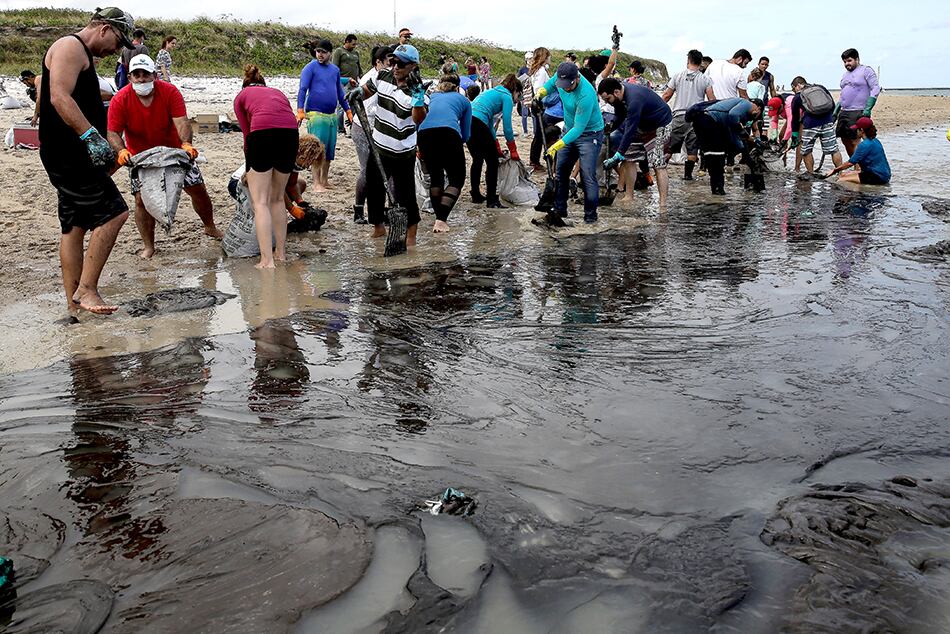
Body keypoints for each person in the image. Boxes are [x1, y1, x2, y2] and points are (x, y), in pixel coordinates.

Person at [39, 7, 134, 316]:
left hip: (65, 151)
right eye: (119, 42)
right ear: (105, 28)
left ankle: (74, 305)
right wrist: (90, 137)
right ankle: (87, 289)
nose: (117, 51)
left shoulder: (80, 53)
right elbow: (59, 97)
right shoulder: (70, 47)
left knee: (74, 225)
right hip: (69, 153)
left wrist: (104, 142)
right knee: (115, 214)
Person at [107, 54, 221, 259]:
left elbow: (182, 122)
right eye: (136, 74)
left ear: (155, 74)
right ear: (130, 77)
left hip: (174, 151)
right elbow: (112, 132)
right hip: (141, 157)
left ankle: (209, 226)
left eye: (146, 74)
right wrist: (121, 150)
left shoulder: (169, 91)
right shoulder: (120, 99)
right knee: (141, 201)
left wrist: (186, 143)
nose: (141, 79)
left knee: (198, 189)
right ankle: (149, 245)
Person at [352, 43, 428, 245]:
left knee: (406, 195)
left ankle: (411, 238)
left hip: (403, 152)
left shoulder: (419, 91)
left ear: (413, 66)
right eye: (393, 62)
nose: (395, 67)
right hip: (379, 145)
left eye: (401, 64)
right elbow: (369, 89)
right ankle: (378, 227)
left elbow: (418, 118)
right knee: (374, 188)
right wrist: (359, 92)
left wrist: (418, 100)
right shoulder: (383, 76)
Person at [232, 64, 300, 268]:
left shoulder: (241, 97)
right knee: (277, 198)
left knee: (260, 202)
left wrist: (249, 168)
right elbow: (287, 117)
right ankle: (281, 254)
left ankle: (266, 260)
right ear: (263, 84)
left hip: (261, 135)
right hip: (290, 135)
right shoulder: (277, 92)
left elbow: (247, 135)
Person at [537, 61, 605, 223]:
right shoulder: (561, 76)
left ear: (577, 78)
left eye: (568, 85)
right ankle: (560, 210)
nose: (565, 88)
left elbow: (579, 128)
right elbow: (550, 85)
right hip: (568, 129)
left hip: (589, 134)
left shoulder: (586, 94)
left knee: (588, 175)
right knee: (561, 172)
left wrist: (558, 145)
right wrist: (540, 93)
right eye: (563, 84)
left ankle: (590, 217)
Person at [600, 78, 673, 206]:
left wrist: (618, 154)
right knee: (629, 158)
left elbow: (630, 129)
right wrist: (611, 126)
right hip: (641, 124)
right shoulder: (618, 98)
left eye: (608, 99)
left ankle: (663, 204)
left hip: (660, 124)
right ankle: (629, 196)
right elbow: (620, 115)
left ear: (616, 92)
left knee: (658, 164)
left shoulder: (634, 99)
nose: (607, 103)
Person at [417, 74, 472, 232]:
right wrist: (455, 146)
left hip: (424, 135)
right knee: (456, 180)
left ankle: (438, 218)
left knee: (436, 178)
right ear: (457, 87)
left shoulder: (432, 97)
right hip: (449, 134)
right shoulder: (464, 100)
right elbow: (466, 134)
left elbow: (420, 118)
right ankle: (441, 220)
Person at [297, 38, 352, 192]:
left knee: (329, 151)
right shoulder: (310, 68)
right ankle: (316, 183)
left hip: (331, 115)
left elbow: (340, 93)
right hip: (316, 114)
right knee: (317, 150)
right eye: (318, 51)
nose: (320, 55)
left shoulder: (334, 70)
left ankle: (324, 180)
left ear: (330, 53)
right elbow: (303, 89)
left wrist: (348, 110)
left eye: (323, 52)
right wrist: (300, 110)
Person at [467, 73, 521, 208]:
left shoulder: (491, 92)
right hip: (478, 123)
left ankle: (475, 194)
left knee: (477, 159)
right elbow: (507, 127)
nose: (517, 100)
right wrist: (513, 149)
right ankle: (492, 200)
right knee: (492, 162)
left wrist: (496, 145)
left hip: (467, 122)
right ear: (515, 90)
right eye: (518, 96)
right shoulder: (506, 96)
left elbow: (490, 124)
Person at [688, 97, 762, 195]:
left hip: (701, 121)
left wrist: (746, 155)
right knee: (717, 158)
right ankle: (718, 190)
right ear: (759, 109)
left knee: (713, 157)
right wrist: (746, 135)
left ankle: (717, 190)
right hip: (710, 121)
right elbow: (733, 115)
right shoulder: (747, 104)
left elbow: (736, 139)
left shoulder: (733, 115)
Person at [352, 45, 391, 224]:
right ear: (378, 62)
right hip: (363, 128)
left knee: (387, 172)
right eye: (389, 62)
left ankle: (388, 210)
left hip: (381, 130)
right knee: (366, 171)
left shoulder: (388, 77)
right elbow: (367, 109)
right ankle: (358, 211)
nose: (393, 66)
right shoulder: (370, 79)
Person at [662, 49, 715, 180]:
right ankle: (687, 176)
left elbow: (667, 95)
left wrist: (657, 109)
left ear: (688, 60)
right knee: (693, 147)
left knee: (670, 146)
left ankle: (661, 170)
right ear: (700, 62)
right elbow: (712, 100)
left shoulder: (678, 76)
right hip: (697, 117)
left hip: (679, 115)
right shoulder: (705, 79)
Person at [788, 76, 842, 174]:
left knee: (806, 151)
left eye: (793, 88)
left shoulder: (798, 96)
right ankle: (840, 173)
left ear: (797, 85)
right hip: (828, 121)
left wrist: (795, 134)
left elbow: (795, 118)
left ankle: (811, 173)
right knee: (834, 149)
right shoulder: (820, 88)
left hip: (810, 124)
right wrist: (831, 118)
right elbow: (832, 104)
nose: (794, 91)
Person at [835, 48, 881, 157]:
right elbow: (843, 94)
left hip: (858, 111)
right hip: (844, 111)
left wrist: (868, 108)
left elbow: (875, 88)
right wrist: (835, 112)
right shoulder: (845, 75)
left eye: (849, 60)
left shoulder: (866, 70)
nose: (847, 64)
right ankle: (855, 163)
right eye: (845, 62)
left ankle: (859, 168)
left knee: (855, 140)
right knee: (845, 140)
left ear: (857, 59)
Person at [825, 117, 890, 185]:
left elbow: (850, 163)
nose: (855, 131)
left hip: (877, 177)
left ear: (861, 130)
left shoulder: (864, 145)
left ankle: (854, 194)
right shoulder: (876, 140)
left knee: (840, 180)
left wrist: (834, 170)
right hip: (885, 175)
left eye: (856, 129)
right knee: (843, 175)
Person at [527, 47, 553, 172]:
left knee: (538, 134)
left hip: (536, 103)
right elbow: (538, 88)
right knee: (541, 133)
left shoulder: (536, 70)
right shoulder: (542, 71)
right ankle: (535, 161)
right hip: (541, 104)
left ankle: (534, 160)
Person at [518, 51, 534, 137]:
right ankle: (525, 131)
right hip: (524, 93)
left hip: (533, 93)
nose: (530, 60)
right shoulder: (522, 69)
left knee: (534, 114)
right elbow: (519, 80)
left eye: (531, 58)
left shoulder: (536, 68)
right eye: (529, 59)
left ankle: (535, 132)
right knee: (524, 113)